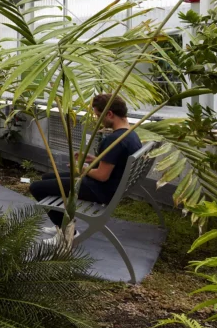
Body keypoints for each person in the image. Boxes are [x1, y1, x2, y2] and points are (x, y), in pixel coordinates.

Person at [28, 93, 142, 241]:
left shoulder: (113, 140)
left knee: (36, 188)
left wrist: (80, 169)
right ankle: (63, 222)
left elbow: (102, 176)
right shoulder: (131, 134)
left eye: (98, 116)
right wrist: (93, 159)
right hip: (113, 186)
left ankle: (67, 233)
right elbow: (117, 163)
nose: (97, 120)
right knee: (47, 178)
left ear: (109, 114)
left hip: (101, 190)